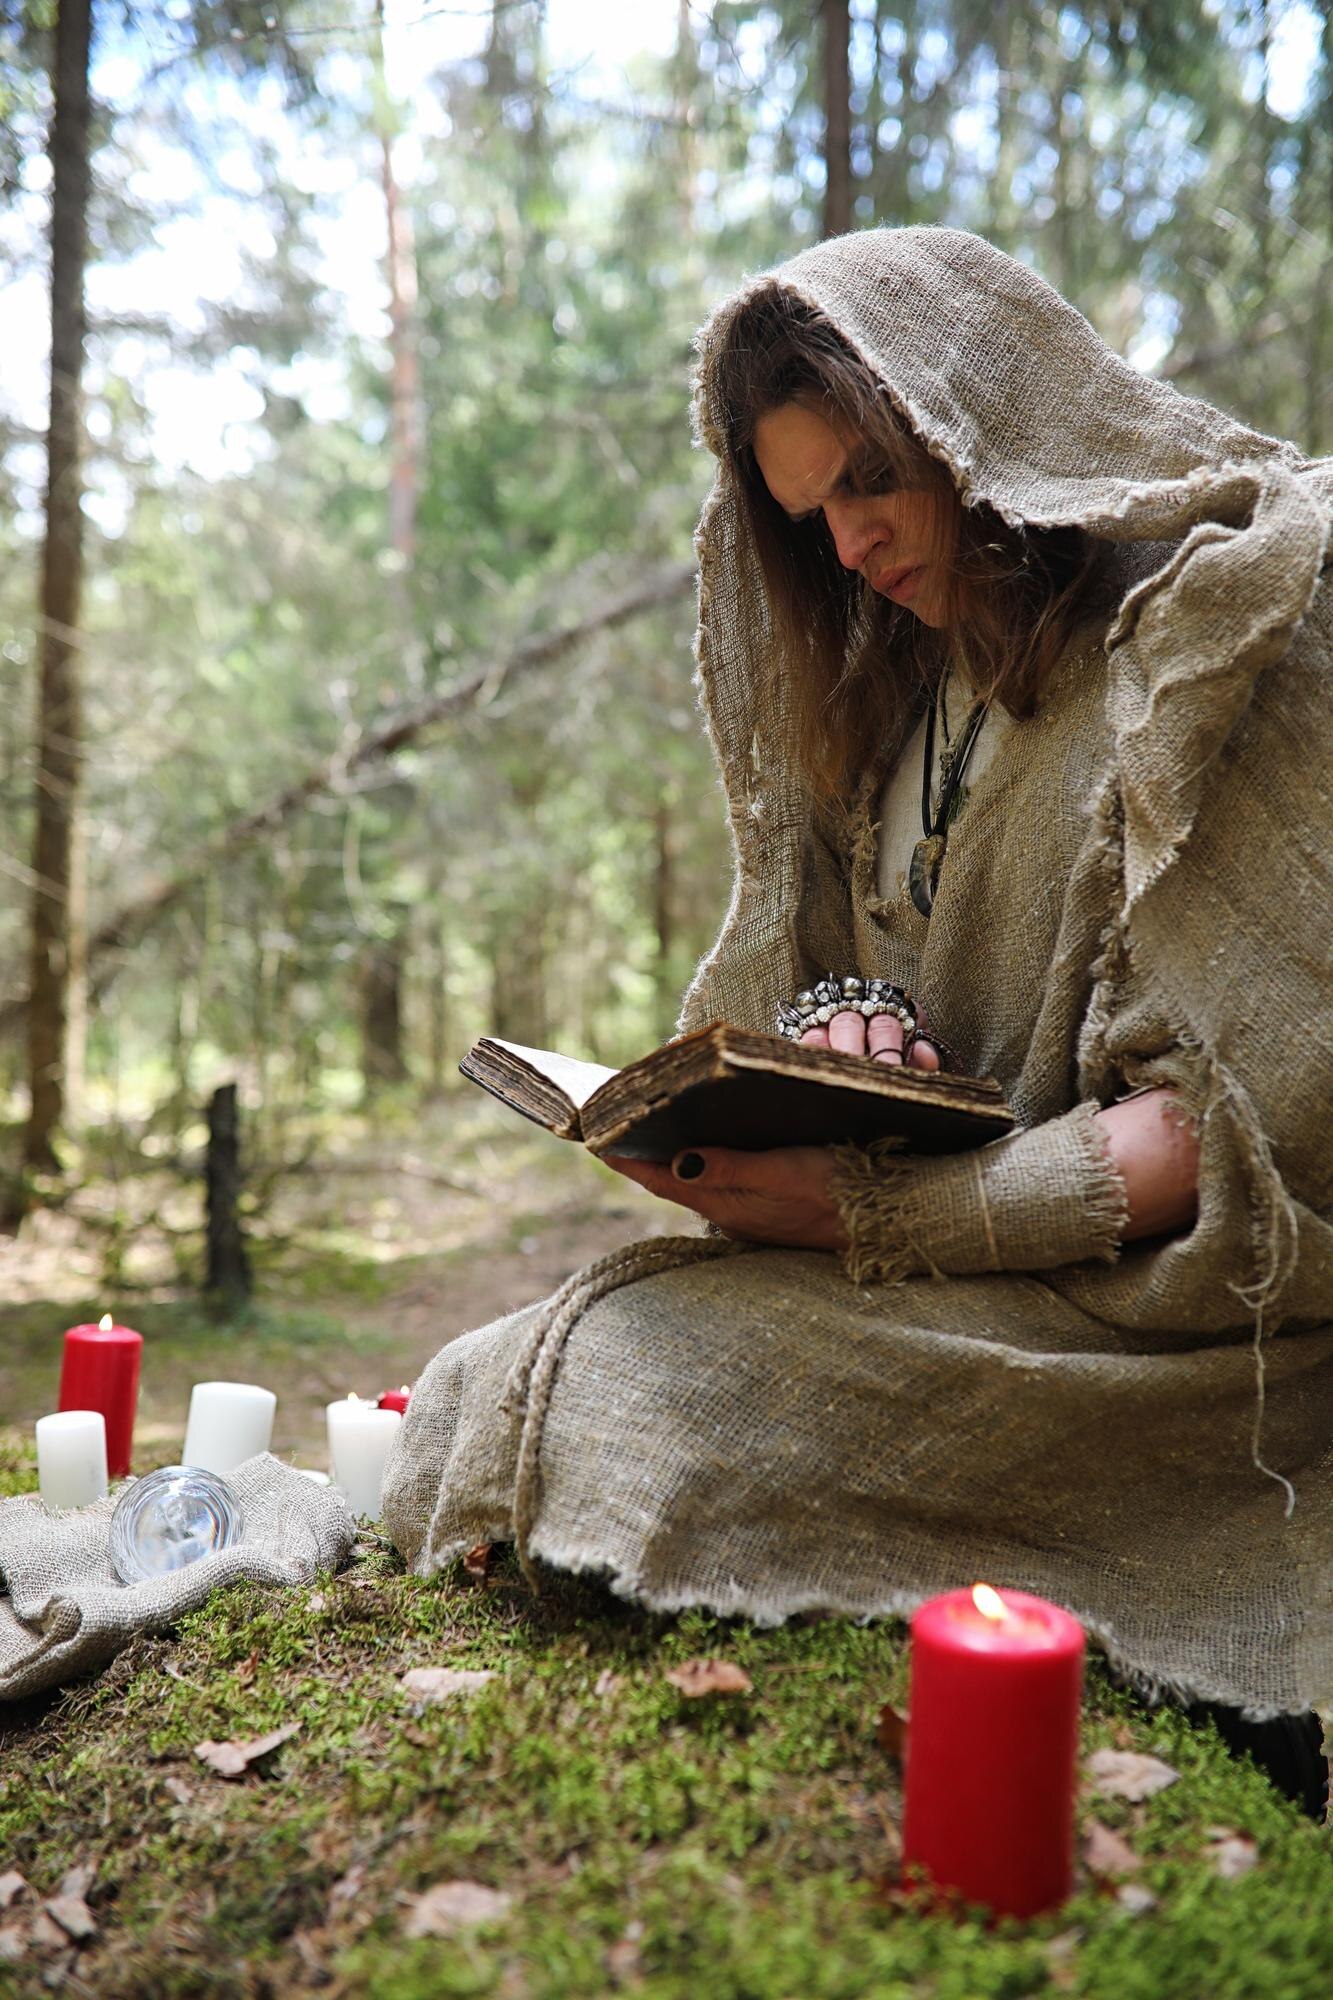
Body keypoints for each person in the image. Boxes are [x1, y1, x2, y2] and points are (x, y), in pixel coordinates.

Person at [384, 228, 1331, 1816]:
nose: (847, 542)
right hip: (962, 1270)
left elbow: (1230, 1128)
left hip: (1170, 1339)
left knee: (621, 1393)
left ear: (983, 421)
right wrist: (811, 1073)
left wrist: (884, 1209)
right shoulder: (902, 700)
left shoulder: (1214, 631)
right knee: (510, 1369)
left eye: (872, 480)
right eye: (807, 507)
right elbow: (896, 981)